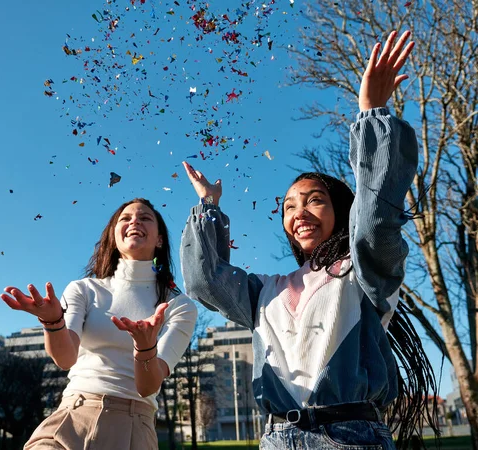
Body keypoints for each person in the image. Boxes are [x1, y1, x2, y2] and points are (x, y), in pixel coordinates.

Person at [180, 30, 437, 449]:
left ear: (340, 211)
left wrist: (372, 113)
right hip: (277, 438)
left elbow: (373, 222)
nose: (299, 213)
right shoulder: (264, 291)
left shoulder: (363, 271)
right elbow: (205, 281)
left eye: (315, 200)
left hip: (351, 436)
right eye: (288, 206)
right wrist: (209, 206)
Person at [1, 198, 197, 450]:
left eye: (145, 218)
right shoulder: (83, 289)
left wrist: (145, 347)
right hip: (72, 416)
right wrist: (53, 321)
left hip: (133, 427)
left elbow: (148, 385)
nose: (134, 220)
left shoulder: (179, 306)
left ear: (159, 239)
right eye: (125, 218)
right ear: (114, 235)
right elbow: (65, 358)